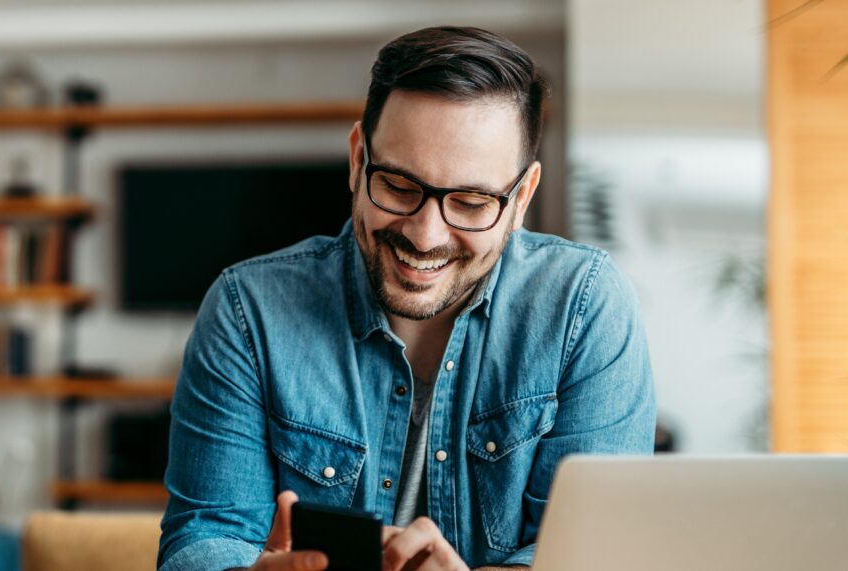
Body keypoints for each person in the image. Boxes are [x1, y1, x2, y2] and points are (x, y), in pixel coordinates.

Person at [157, 26, 655, 571]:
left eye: (470, 201)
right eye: (398, 185)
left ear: (522, 199)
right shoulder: (246, 311)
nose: (425, 235)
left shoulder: (584, 308)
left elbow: (599, 555)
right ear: (356, 160)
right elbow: (204, 535)